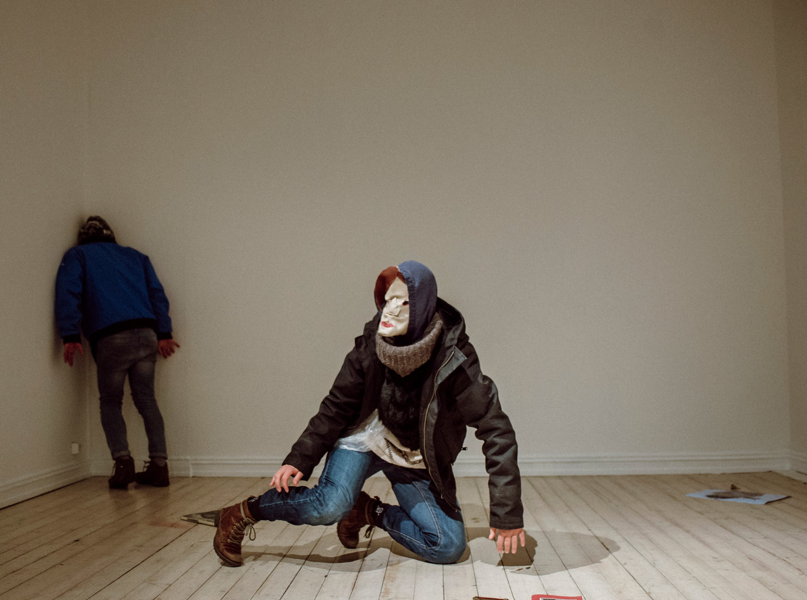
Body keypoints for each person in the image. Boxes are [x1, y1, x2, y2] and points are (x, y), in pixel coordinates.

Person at [213, 261, 524, 567]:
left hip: (414, 455)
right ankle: (244, 512)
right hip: (366, 438)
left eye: (404, 302)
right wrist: (300, 457)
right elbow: (336, 405)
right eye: (388, 300)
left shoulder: (454, 357)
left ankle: (367, 512)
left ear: (424, 305)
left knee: (447, 547)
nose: (390, 310)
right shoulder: (369, 346)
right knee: (330, 506)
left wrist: (506, 514)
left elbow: (496, 429)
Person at [55, 216, 180, 489]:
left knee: (111, 401)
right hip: (147, 334)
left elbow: (69, 293)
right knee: (147, 400)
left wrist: (70, 335)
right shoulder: (136, 257)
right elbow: (157, 294)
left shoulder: (78, 255)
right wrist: (165, 333)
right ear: (111, 236)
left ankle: (123, 464)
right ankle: (159, 466)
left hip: (111, 336)